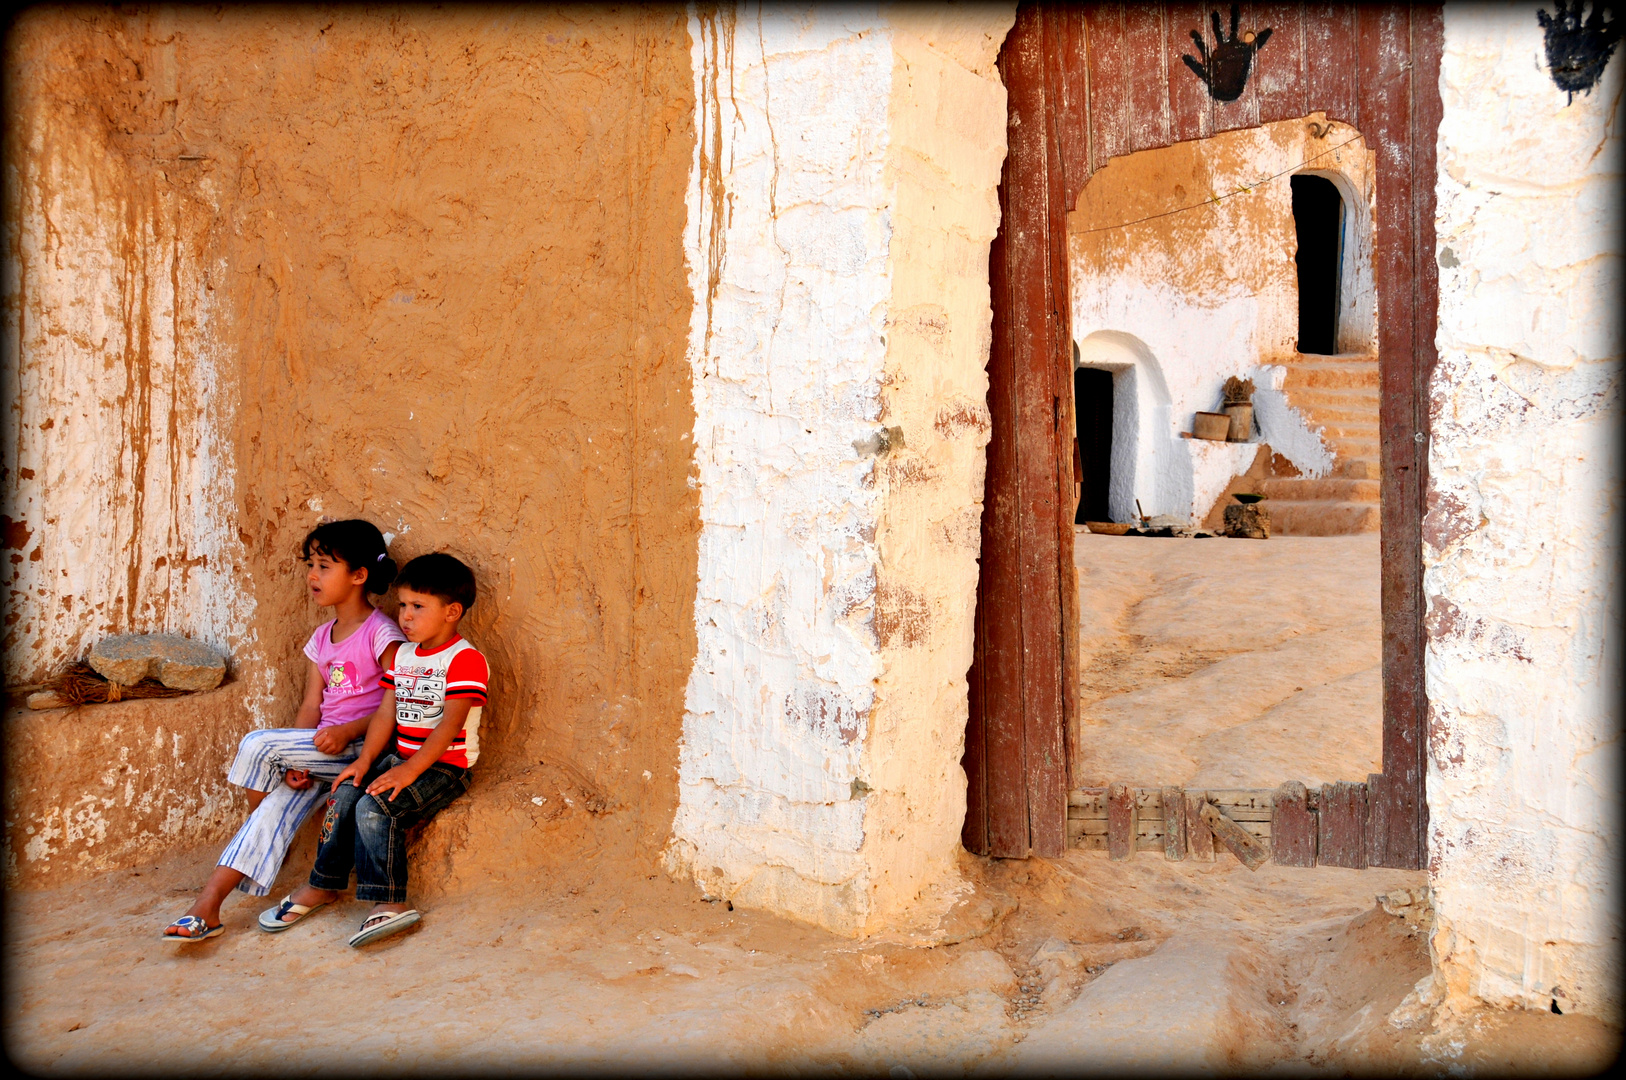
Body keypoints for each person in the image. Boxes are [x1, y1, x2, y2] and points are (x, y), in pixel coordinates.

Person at [163, 520, 405, 941]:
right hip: (323, 751)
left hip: (361, 750)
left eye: (325, 565)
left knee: (257, 744)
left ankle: (277, 841)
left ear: (359, 575)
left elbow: (397, 701)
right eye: (310, 564)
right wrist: (293, 762)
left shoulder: (381, 632)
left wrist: (348, 731)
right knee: (278, 803)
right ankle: (208, 907)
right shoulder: (321, 638)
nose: (313, 575)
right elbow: (312, 705)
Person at [271, 552, 488, 947]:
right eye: (403, 605)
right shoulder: (404, 655)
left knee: (376, 806)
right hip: (400, 758)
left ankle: (389, 902)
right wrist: (364, 762)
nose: (405, 616)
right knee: (345, 793)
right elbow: (385, 715)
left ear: (452, 611)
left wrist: (408, 771)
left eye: (418, 607)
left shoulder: (465, 660)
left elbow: (448, 727)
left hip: (445, 765)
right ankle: (324, 885)